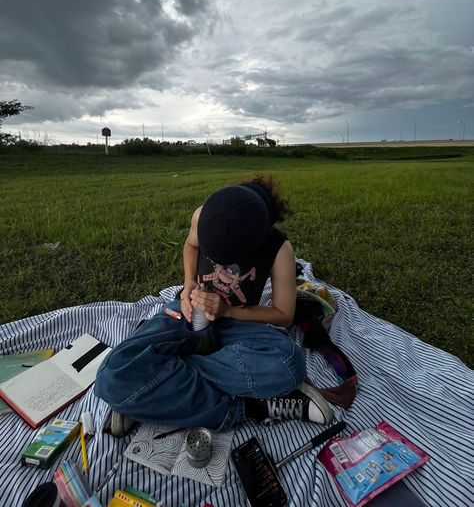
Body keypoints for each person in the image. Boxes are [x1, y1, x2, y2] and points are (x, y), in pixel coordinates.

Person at [94, 175, 333, 436]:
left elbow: (284, 315)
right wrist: (187, 285)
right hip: (190, 312)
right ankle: (252, 407)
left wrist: (228, 310)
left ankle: (155, 388)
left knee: (289, 363)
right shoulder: (205, 215)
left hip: (235, 323)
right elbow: (190, 244)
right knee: (111, 376)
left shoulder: (279, 249)